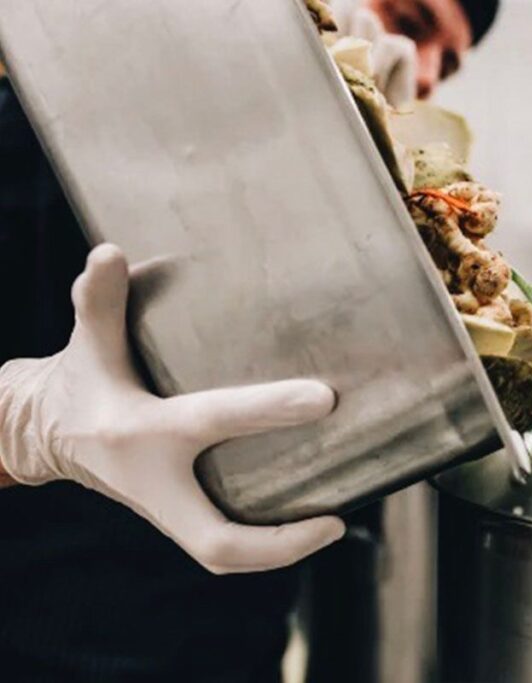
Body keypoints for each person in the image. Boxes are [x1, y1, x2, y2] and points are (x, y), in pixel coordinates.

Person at [0, 0, 499, 680]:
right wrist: (28, 424)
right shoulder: (46, 100)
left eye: (451, 58)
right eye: (409, 17)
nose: (430, 70)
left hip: (235, 650)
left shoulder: (325, 200)